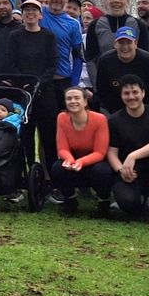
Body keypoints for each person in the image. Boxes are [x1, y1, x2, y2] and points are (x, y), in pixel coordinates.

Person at [0, 0, 85, 170]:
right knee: (27, 127)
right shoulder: (39, 13)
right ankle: (30, 175)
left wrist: (73, 86)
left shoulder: (73, 24)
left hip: (61, 82)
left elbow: (78, 57)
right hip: (34, 82)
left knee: (54, 133)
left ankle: (53, 175)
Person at [105, 75, 149, 223]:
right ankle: (139, 199)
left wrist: (132, 156)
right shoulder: (114, 119)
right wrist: (120, 170)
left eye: (135, 92)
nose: (131, 97)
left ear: (143, 93)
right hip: (129, 172)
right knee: (129, 205)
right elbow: (111, 152)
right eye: (126, 93)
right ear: (121, 96)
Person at [5, 0, 59, 165]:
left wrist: (38, 84)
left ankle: (50, 178)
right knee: (25, 136)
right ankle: (28, 178)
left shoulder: (48, 36)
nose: (30, 13)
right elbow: (11, 63)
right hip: (22, 92)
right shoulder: (14, 36)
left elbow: (52, 64)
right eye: (26, 10)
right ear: (22, 15)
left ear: (40, 15)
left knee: (48, 137)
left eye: (34, 10)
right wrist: (24, 83)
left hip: (44, 92)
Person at [49, 86, 111, 215]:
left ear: (85, 102)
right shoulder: (61, 117)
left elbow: (100, 152)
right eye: (69, 99)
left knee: (102, 171)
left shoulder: (100, 119)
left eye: (77, 98)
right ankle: (70, 200)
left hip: (94, 162)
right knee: (57, 167)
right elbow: (62, 148)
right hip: (73, 161)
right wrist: (70, 160)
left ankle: (104, 201)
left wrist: (80, 162)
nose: (73, 101)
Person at [93, 27, 149, 114]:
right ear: (115, 44)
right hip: (114, 109)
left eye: (129, 42)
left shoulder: (148, 61)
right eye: (121, 43)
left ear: (135, 43)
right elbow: (102, 89)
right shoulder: (105, 61)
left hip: (145, 108)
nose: (125, 47)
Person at [86, 0, 140, 86]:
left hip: (132, 86)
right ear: (107, 0)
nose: (117, 1)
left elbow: (143, 55)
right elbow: (90, 58)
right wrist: (97, 85)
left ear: (127, 1)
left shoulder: (138, 24)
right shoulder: (95, 25)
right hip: (105, 81)